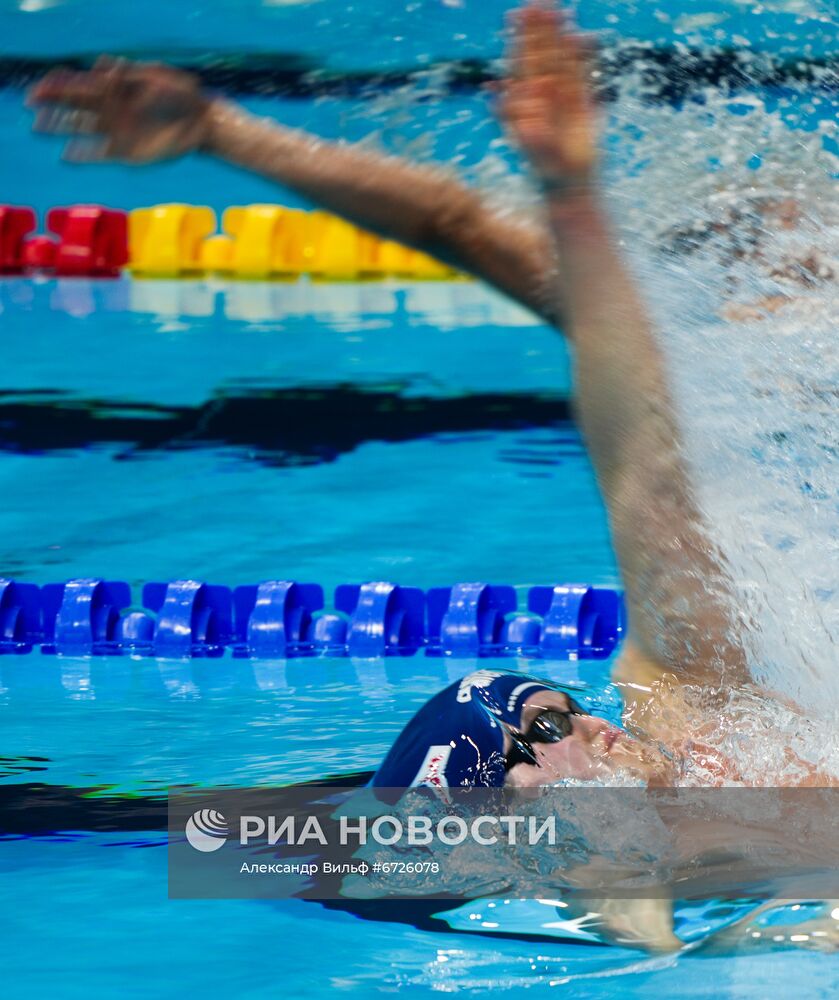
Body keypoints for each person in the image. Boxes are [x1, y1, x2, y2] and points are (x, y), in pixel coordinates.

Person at [27, 2, 834, 787]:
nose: (800, 271)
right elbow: (460, 224)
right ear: (719, 297)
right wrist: (217, 129)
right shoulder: (689, 368)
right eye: (775, 257)